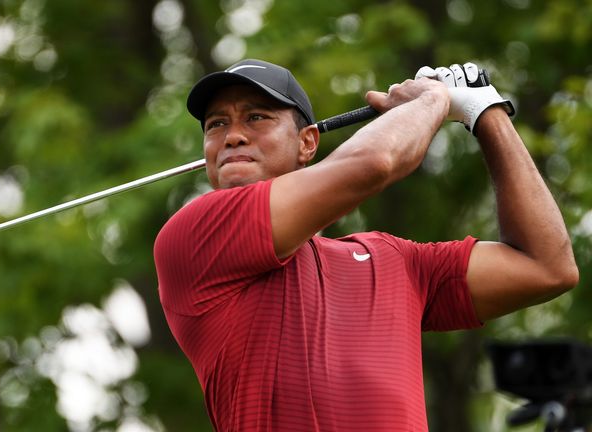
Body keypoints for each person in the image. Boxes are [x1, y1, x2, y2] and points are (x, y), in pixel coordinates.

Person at [153, 59, 578, 431]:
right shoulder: (196, 234)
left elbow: (546, 267)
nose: (233, 136)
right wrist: (435, 99)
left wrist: (486, 112)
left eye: (257, 117)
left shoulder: (394, 260)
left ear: (307, 143)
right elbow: (375, 163)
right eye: (217, 124)